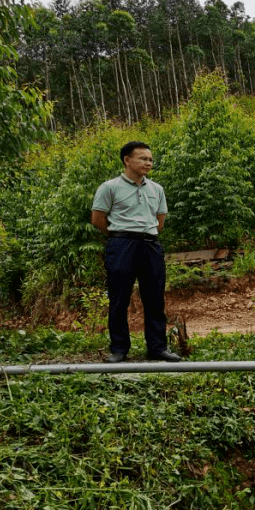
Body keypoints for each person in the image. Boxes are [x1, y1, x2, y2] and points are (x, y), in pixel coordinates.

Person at [91, 141, 181, 363]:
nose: (148, 163)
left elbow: (160, 222)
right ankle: (119, 349)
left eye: (150, 159)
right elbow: (97, 219)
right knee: (119, 298)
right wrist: (120, 236)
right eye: (143, 158)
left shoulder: (156, 189)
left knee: (154, 298)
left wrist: (144, 234)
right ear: (127, 160)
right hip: (121, 244)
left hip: (150, 245)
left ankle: (157, 348)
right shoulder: (109, 187)